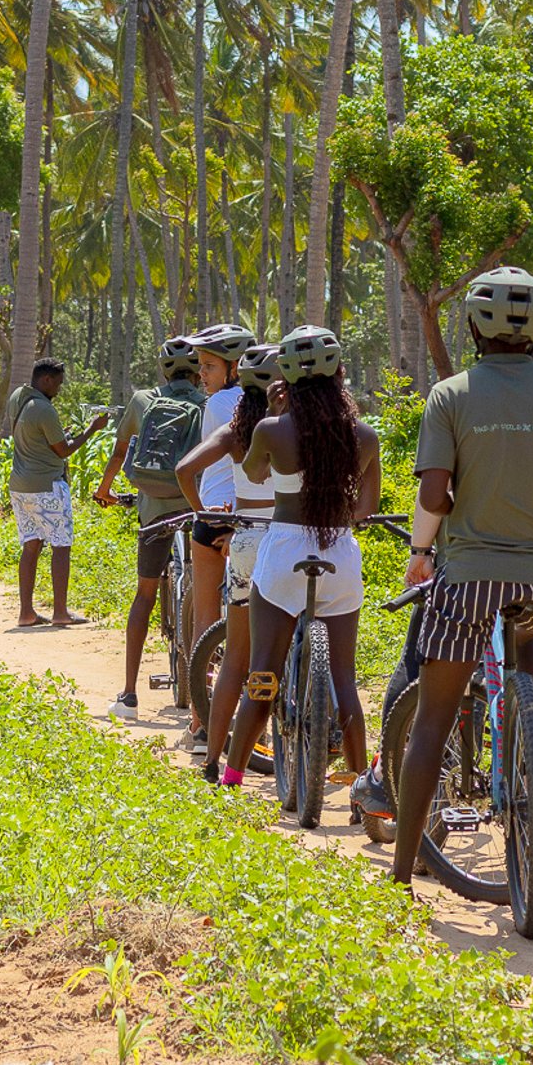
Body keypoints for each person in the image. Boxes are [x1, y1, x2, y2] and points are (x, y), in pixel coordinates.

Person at [383, 268, 533, 890]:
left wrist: (419, 549)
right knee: (531, 655)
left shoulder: (450, 394)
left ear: (470, 328)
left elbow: (433, 495)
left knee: (433, 718)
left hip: (469, 579)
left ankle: (402, 872)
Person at [217, 326, 381, 796]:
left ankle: (232, 777)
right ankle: (358, 784)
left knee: (264, 670)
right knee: (344, 677)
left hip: (284, 552)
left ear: (284, 379)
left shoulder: (272, 429)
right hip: (340, 555)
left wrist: (273, 414)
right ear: (340, 374)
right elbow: (366, 507)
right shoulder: (363, 436)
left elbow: (253, 471)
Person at [177, 343, 280, 778]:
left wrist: (202, 509)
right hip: (294, 542)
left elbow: (185, 469)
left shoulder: (237, 428)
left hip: (245, 538)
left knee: (237, 655)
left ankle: (215, 757)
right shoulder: (302, 429)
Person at [94, 337, 205, 720]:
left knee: (144, 594)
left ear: (163, 369)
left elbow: (121, 452)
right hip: (199, 507)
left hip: (154, 509)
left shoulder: (143, 400)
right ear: (198, 370)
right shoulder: (209, 404)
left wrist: (104, 489)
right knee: (212, 591)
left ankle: (128, 695)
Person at [175, 322, 256, 745]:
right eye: (201, 366)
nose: (202, 375)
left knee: (206, 621)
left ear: (233, 368)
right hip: (256, 520)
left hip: (215, 516)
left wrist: (199, 514)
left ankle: (201, 717)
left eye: (208, 366)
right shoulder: (266, 401)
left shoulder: (221, 405)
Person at [5, 358, 109, 628]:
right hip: (47, 486)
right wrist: (92, 430)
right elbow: (63, 451)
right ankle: (60, 612)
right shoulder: (44, 409)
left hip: (20, 487)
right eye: (58, 383)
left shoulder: (19, 397)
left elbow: (36, 436)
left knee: (31, 545)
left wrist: (58, 435)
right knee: (61, 546)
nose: (59, 389)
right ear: (47, 380)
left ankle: (26, 613)